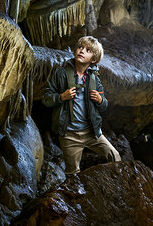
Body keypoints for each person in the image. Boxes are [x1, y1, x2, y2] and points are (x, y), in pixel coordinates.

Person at [42, 36, 121, 175]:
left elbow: (104, 105)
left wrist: (100, 100)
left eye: (88, 50)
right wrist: (61, 97)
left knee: (115, 157)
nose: (82, 51)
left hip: (92, 132)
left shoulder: (94, 79)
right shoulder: (61, 74)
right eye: (80, 47)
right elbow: (46, 98)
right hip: (69, 134)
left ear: (94, 59)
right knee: (73, 174)